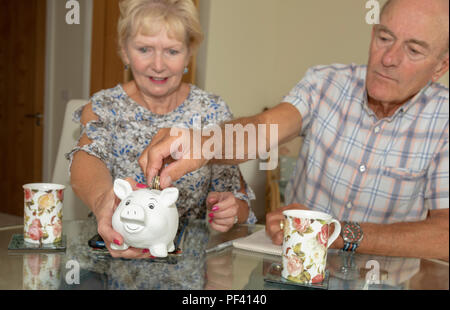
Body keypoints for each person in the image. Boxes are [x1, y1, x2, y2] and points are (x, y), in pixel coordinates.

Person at [139, 0, 449, 260]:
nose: (389, 59)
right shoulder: (326, 82)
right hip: (293, 275)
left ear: (440, 66)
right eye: (384, 37)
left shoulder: (444, 119)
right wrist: (202, 145)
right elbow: (262, 129)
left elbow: (443, 235)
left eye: (414, 50)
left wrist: (337, 233)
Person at [68, 0, 257, 259]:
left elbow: (238, 201)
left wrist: (231, 209)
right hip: (114, 258)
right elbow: (86, 160)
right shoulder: (104, 106)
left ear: (189, 52)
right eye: (144, 49)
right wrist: (103, 199)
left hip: (188, 266)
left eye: (172, 51)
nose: (158, 65)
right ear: (124, 51)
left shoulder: (212, 110)